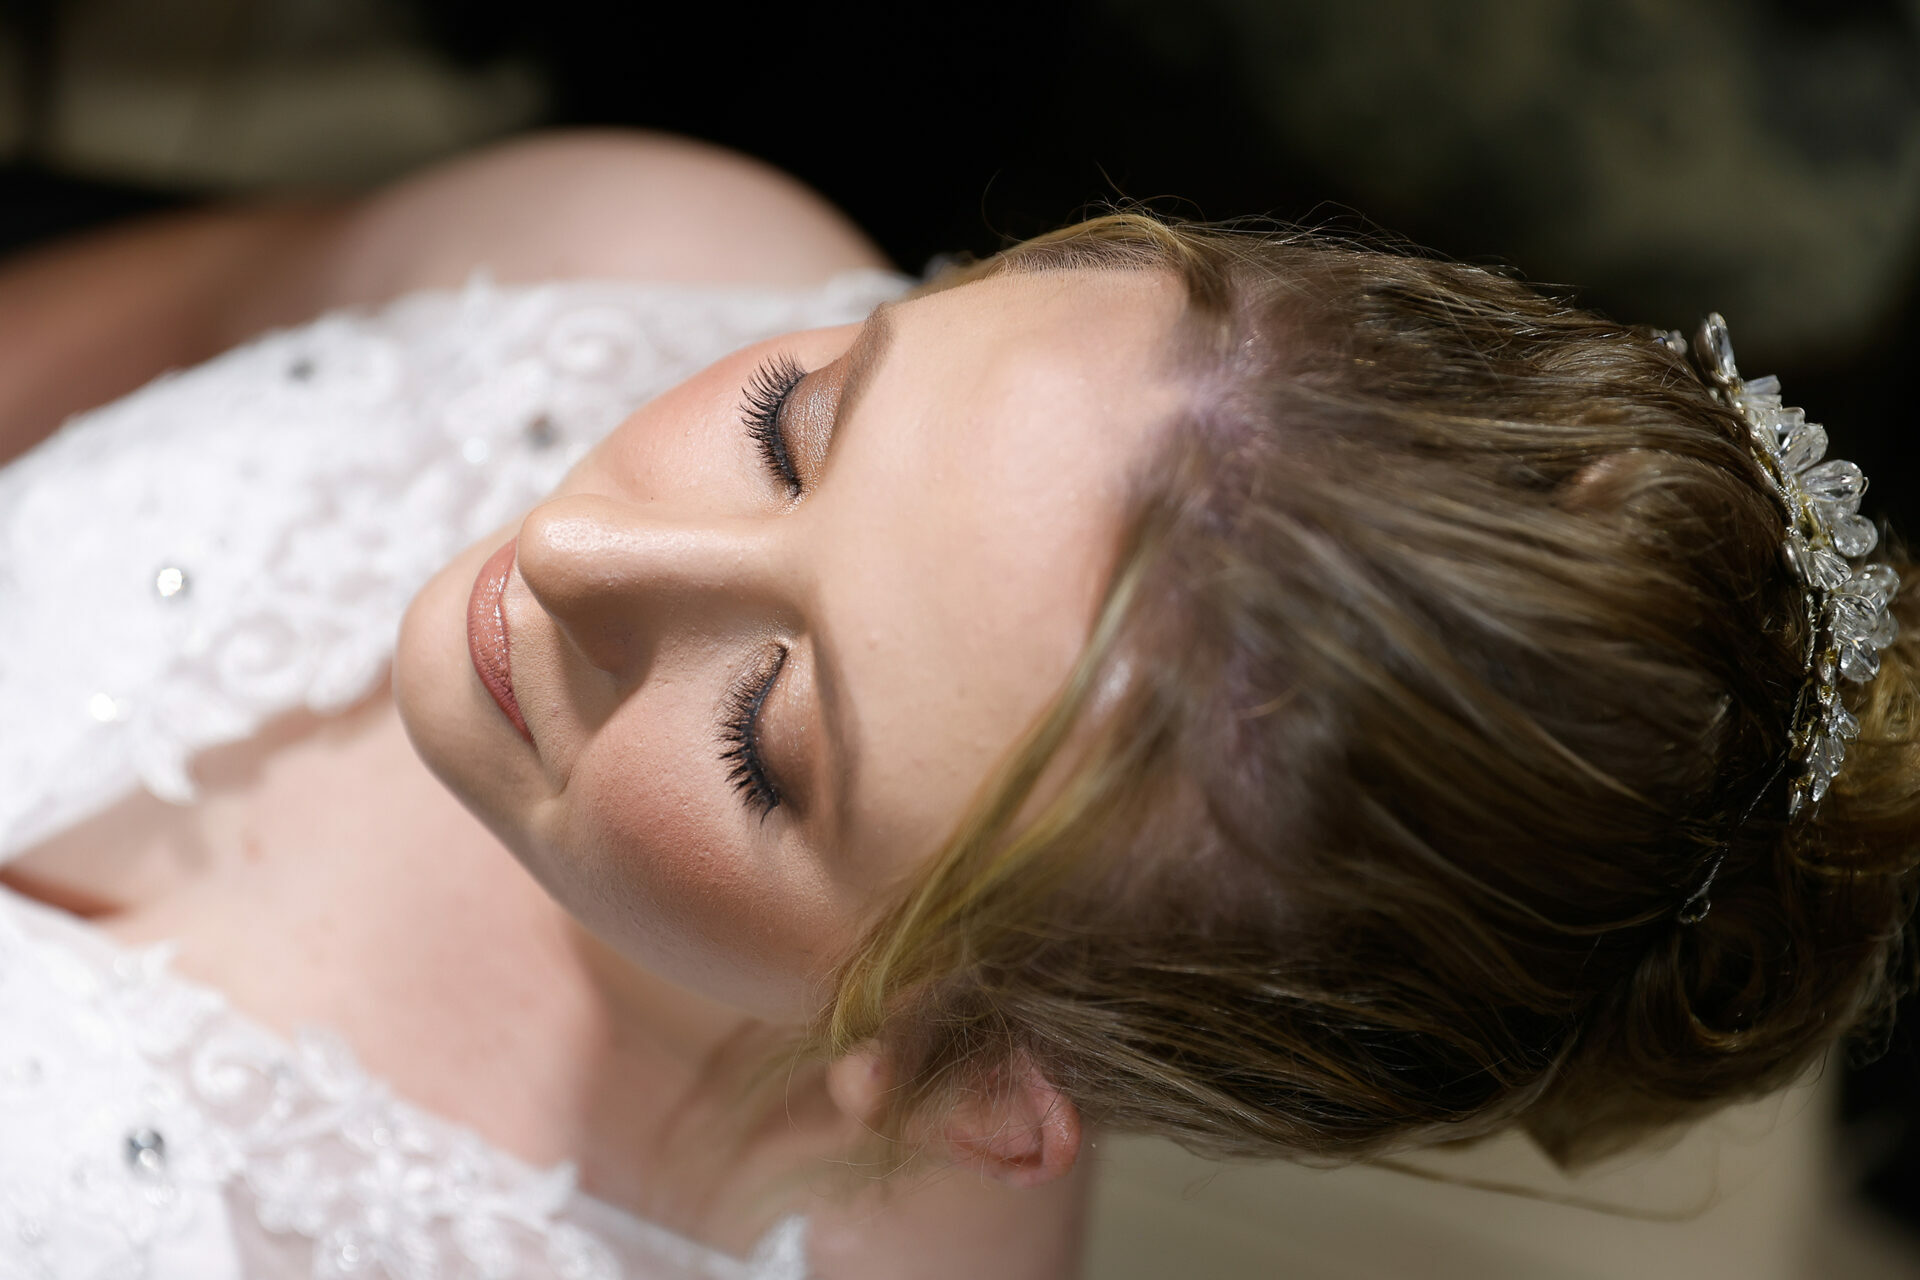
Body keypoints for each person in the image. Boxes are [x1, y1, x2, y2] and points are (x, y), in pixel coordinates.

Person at [0, 128, 1914, 1278]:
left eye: (765, 740)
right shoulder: (634, 257)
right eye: (794, 425)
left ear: (974, 1077)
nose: (571, 546)